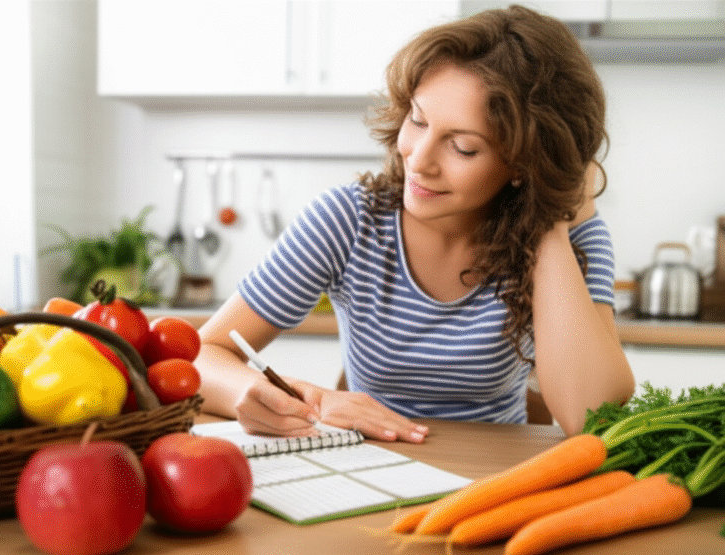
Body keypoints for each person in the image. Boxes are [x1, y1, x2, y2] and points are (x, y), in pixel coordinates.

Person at [194, 4, 635, 441]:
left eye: (462, 147)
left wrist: (550, 220)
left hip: (494, 480)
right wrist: (273, 393)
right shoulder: (349, 221)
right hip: (367, 466)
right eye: (417, 120)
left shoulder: (574, 240)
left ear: (524, 163)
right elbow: (200, 355)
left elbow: (586, 415)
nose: (418, 161)